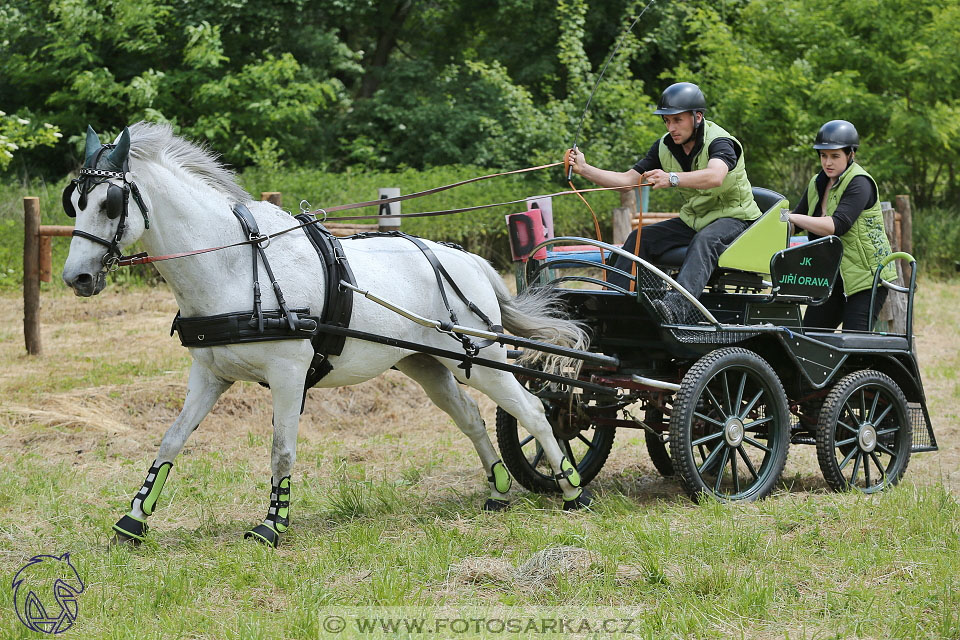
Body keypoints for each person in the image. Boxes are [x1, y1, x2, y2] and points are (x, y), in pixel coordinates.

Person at [567, 82, 762, 322]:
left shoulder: (720, 142)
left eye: (678, 120)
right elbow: (627, 181)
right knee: (640, 238)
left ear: (697, 117)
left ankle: (677, 308)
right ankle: (612, 304)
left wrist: (671, 178)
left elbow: (715, 176)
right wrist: (585, 169)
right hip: (697, 219)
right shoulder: (664, 146)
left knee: (705, 241)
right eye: (667, 121)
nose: (672, 127)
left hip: (737, 218)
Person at [783, 120, 896, 332]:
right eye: (823, 155)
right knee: (808, 338)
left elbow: (837, 225)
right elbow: (794, 224)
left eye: (835, 156)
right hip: (831, 278)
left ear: (850, 154)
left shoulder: (860, 182)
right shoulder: (817, 182)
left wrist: (792, 218)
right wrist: (767, 223)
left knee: (853, 344)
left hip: (866, 279)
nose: (828, 162)